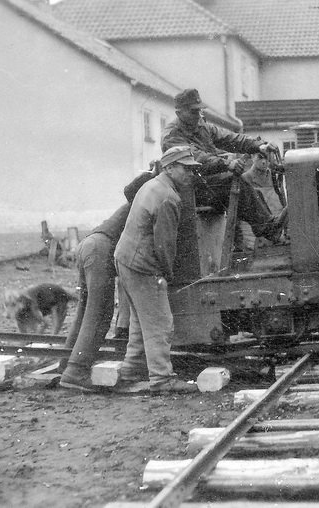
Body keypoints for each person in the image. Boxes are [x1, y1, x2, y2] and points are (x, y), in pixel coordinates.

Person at [113, 146, 203, 394]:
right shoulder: (168, 197)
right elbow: (164, 244)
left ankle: (131, 370)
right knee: (160, 322)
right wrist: (166, 273)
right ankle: (162, 380)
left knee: (141, 322)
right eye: (186, 168)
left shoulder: (152, 185)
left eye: (192, 169)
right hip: (142, 264)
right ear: (170, 167)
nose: (190, 174)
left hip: (125, 259)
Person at [59, 170, 155, 392]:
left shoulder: (136, 199)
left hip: (89, 244)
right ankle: (76, 372)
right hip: (101, 249)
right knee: (100, 313)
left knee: (85, 310)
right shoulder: (147, 200)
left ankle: (65, 364)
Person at [162, 88, 286, 242]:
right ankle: (268, 228)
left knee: (249, 191)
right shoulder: (172, 136)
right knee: (235, 185)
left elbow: (229, 138)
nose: (198, 116)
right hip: (189, 190)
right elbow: (197, 159)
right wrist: (228, 164)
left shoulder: (200, 125)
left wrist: (258, 146)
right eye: (193, 112)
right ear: (179, 113)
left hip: (206, 184)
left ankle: (268, 228)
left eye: (199, 111)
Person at [236, 152, 287, 251]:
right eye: (260, 158)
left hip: (276, 234)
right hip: (254, 238)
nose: (264, 162)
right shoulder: (245, 179)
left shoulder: (275, 176)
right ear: (252, 157)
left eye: (266, 159)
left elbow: (282, 202)